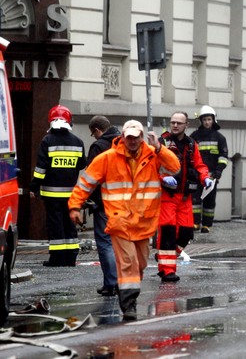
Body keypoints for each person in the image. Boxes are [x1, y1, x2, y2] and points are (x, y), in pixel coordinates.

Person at [68, 120, 180, 320]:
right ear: (123, 137)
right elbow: (86, 182)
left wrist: (160, 148)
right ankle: (129, 306)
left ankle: (125, 289)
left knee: (140, 264)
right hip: (119, 221)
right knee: (128, 263)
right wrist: (75, 206)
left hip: (144, 223)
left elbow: (175, 167)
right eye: (129, 137)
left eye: (137, 137)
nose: (133, 141)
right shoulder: (108, 158)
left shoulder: (152, 155)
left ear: (141, 137)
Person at [30, 105, 86, 267]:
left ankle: (57, 258)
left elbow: (41, 169)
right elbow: (82, 164)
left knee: (55, 225)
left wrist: (34, 187)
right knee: (70, 224)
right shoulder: (78, 141)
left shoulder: (47, 140)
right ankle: (71, 258)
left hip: (52, 194)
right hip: (70, 193)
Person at [157, 111, 210, 282]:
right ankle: (167, 270)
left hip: (185, 196)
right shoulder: (162, 142)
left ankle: (169, 254)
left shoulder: (191, 144)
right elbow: (153, 167)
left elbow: (200, 165)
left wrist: (205, 178)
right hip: (168, 195)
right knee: (167, 230)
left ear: (186, 125)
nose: (175, 125)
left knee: (187, 232)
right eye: (173, 122)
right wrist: (164, 179)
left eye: (179, 123)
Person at [87, 116, 121, 296]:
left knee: (105, 242)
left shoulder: (99, 146)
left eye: (93, 134)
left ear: (98, 130)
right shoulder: (126, 142)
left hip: (105, 202)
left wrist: (90, 200)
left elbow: (92, 177)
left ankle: (111, 283)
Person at [190, 106, 228, 234]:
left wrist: (219, 171)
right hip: (196, 175)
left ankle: (206, 225)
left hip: (212, 176)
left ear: (213, 120)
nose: (207, 122)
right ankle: (195, 223)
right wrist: (193, 170)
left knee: (209, 200)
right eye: (204, 119)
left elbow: (223, 157)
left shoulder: (220, 138)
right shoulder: (194, 136)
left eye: (209, 119)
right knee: (194, 200)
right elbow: (189, 155)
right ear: (201, 121)